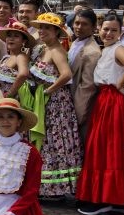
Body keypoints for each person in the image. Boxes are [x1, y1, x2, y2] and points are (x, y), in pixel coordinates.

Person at [75, 15, 124, 215]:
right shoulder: (107, 50)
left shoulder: (119, 49)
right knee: (106, 148)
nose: (108, 33)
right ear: (99, 29)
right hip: (106, 100)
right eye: (105, 29)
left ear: (120, 32)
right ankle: (114, 198)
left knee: (108, 148)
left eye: (113, 30)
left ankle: (107, 198)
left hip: (113, 102)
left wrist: (119, 85)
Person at [26, 13, 82, 198]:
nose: (42, 31)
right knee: (47, 141)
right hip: (45, 101)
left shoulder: (57, 51)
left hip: (56, 104)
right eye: (40, 27)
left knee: (55, 140)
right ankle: (44, 185)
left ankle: (57, 187)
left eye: (47, 28)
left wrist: (49, 90)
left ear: (57, 32)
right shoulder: (43, 48)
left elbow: (66, 74)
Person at [68, 8, 101, 142]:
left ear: (93, 27)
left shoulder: (92, 52)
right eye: (77, 23)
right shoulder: (76, 42)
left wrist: (76, 116)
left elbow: (87, 87)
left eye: (84, 24)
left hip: (79, 108)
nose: (79, 27)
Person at [0, 22, 34, 98]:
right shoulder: (5, 58)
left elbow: (23, 74)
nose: (11, 39)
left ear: (23, 41)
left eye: (16, 36)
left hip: (11, 102)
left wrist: (10, 94)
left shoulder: (21, 56)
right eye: (9, 35)